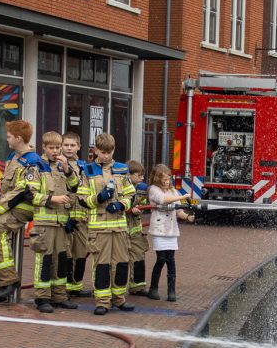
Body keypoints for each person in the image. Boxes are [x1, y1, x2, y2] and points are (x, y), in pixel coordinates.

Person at [0, 119, 39, 306]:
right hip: (9, 206)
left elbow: (22, 190)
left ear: (18, 138)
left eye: (8, 136)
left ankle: (9, 280)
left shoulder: (32, 161)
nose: (6, 139)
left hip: (21, 207)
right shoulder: (14, 157)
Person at [77, 133, 135, 315]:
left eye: (109, 152)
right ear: (95, 151)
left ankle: (119, 299)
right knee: (101, 265)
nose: (107, 156)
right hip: (98, 228)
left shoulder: (122, 169)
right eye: (103, 152)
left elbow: (131, 195)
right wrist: (99, 198)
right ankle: (102, 302)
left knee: (121, 263)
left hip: (119, 226)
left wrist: (121, 204)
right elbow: (82, 199)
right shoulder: (87, 171)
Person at [30, 131, 80, 313]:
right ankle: (42, 297)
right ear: (44, 147)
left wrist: (67, 169)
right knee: (45, 260)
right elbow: (30, 195)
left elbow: (76, 186)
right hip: (44, 224)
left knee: (61, 260)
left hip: (62, 223)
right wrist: (54, 199)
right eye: (51, 148)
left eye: (57, 147)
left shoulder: (63, 166)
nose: (55, 151)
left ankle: (59, 296)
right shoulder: (36, 167)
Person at [145, 164, 193, 302]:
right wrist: (181, 198)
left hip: (171, 231)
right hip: (159, 229)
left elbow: (178, 211)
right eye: (164, 180)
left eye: (169, 179)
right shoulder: (154, 190)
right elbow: (163, 200)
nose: (167, 182)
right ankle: (153, 289)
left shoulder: (173, 191)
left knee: (171, 261)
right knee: (161, 259)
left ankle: (171, 291)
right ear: (157, 179)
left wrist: (188, 217)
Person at [61, 131, 92, 297]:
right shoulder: (57, 165)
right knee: (66, 252)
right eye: (66, 145)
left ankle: (76, 286)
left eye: (72, 145)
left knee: (80, 252)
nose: (69, 148)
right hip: (64, 215)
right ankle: (64, 287)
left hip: (81, 215)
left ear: (79, 147)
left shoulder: (84, 167)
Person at [126, 160, 149, 295]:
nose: (142, 178)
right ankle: (117, 288)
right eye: (139, 175)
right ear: (129, 175)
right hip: (122, 229)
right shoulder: (122, 188)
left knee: (139, 257)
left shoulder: (141, 189)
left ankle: (137, 286)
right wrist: (130, 209)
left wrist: (140, 207)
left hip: (135, 230)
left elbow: (144, 205)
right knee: (120, 260)